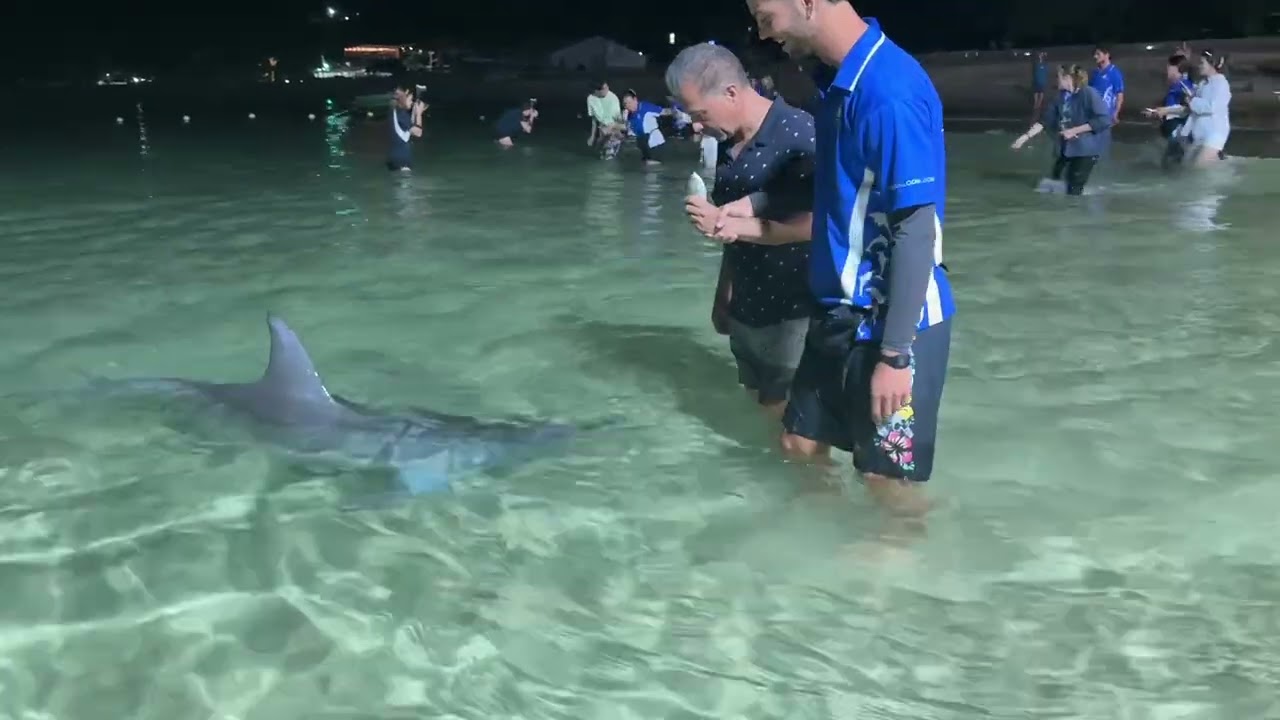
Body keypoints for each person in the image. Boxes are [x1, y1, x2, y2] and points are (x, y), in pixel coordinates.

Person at [746, 0, 954, 517]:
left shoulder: (888, 91)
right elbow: (845, 204)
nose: (763, 34)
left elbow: (915, 229)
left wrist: (895, 355)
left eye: (765, 17)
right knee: (799, 445)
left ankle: (895, 575)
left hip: (892, 324)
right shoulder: (839, 86)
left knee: (888, 484)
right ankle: (826, 552)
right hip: (837, 314)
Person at [668, 42, 816, 418]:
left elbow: (821, 224)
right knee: (759, 416)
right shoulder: (729, 144)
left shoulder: (799, 133)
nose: (697, 126)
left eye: (700, 114)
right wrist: (723, 296)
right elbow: (734, 240)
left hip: (795, 311)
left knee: (791, 431)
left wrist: (724, 224)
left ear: (731, 92)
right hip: (747, 306)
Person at [1011, 65, 1112, 195]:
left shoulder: (1088, 93)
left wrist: (1074, 130)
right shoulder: (1059, 97)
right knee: (1053, 182)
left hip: (1085, 152)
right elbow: (1045, 121)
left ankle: (1074, 211)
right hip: (1065, 151)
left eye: (1058, 77)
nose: (1056, 80)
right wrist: (1024, 138)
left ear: (1067, 78)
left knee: (1073, 191)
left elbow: (1104, 120)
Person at [1147, 50, 1231, 167]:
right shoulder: (1203, 84)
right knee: (1188, 167)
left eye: (1202, 63)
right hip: (1200, 135)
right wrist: (1164, 110)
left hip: (1214, 135)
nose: (1199, 66)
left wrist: (1191, 100)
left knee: (1197, 170)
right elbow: (1189, 108)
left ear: (1212, 64)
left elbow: (1210, 107)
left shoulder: (1221, 84)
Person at [620, 90, 670, 164]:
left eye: (629, 103)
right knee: (644, 165)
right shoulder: (629, 115)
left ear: (635, 100)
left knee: (650, 166)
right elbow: (629, 130)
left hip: (655, 143)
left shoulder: (645, 107)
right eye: (625, 104)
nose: (628, 106)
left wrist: (677, 112)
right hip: (643, 145)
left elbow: (663, 111)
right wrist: (624, 120)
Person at [387, 82, 426, 171]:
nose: (412, 102)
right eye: (410, 99)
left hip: (395, 160)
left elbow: (407, 129)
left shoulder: (395, 111)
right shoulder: (402, 114)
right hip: (402, 162)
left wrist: (415, 113)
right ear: (403, 98)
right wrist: (419, 114)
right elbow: (418, 133)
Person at [1089, 44, 1125, 125]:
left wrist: (1116, 113)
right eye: (1094, 54)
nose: (1095, 56)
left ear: (1107, 55)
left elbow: (1119, 95)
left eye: (1098, 54)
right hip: (1094, 113)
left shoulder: (1114, 73)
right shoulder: (1095, 73)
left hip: (1106, 114)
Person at [586, 80, 624, 152]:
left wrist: (617, 130)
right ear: (596, 91)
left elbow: (618, 118)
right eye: (604, 88)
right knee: (600, 149)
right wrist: (592, 136)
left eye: (607, 87)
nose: (607, 89)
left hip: (614, 126)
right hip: (602, 127)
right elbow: (594, 119)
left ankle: (616, 141)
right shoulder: (590, 99)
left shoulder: (613, 98)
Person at [1030, 51, 1049, 120]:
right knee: (1036, 92)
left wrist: (1042, 56)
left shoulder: (1044, 65)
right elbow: (1036, 62)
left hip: (1041, 81)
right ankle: (1036, 103)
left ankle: (1039, 103)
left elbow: (1043, 62)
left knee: (1041, 92)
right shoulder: (1037, 64)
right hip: (1037, 80)